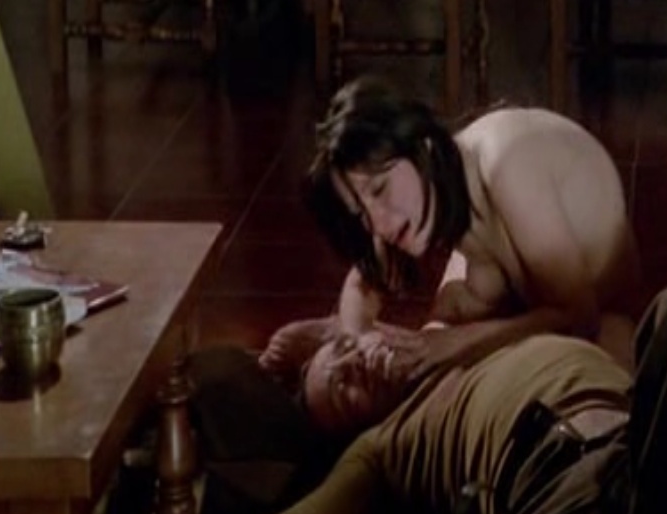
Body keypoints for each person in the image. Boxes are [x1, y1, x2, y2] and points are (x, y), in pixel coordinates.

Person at [225, 281, 667, 514]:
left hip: (638, 440)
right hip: (555, 483)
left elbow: (600, 317)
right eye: (344, 388)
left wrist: (330, 331)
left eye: (344, 349)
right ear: (349, 430)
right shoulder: (383, 443)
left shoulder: (456, 337)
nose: (355, 363)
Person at [257, 74, 643, 383]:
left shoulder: (505, 164)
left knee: (608, 373)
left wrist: (452, 345)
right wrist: (356, 337)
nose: (379, 223)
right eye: (361, 213)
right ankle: (344, 342)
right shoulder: (408, 194)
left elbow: (580, 315)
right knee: (439, 328)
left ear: (423, 147)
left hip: (596, 315)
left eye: (379, 189)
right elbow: (362, 284)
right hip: (519, 297)